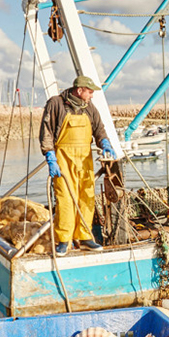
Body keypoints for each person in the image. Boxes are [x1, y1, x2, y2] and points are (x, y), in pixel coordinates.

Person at [39, 75, 116, 255]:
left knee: (86, 197)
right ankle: (64, 240)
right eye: (90, 92)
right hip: (63, 158)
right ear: (79, 90)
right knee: (65, 198)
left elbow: (99, 129)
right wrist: (50, 155)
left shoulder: (89, 107)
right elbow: (46, 131)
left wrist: (105, 143)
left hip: (85, 159)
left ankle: (85, 238)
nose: (92, 95)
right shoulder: (56, 103)